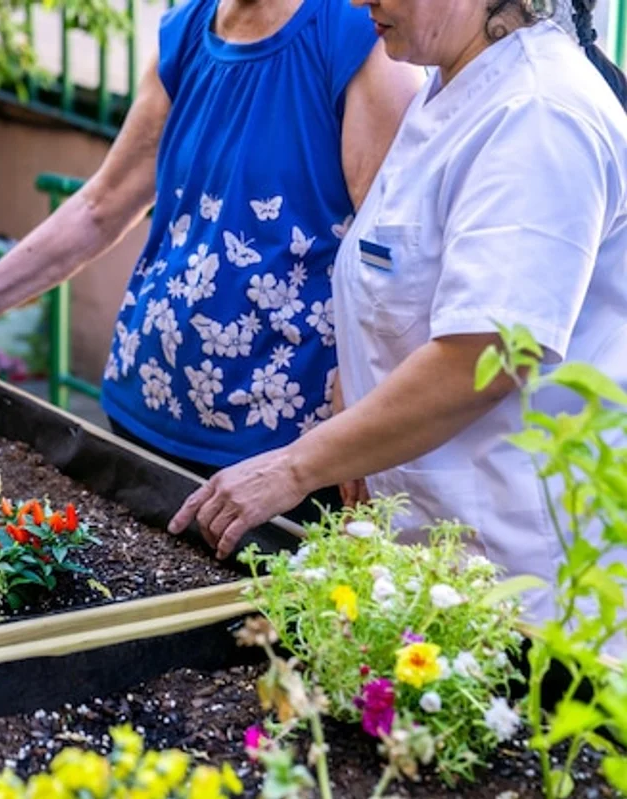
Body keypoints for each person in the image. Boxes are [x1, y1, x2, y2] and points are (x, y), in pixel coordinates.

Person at [0, 0, 423, 526]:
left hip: (277, 459)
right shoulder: (188, 28)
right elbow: (99, 206)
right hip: (142, 414)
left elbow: (390, 258)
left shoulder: (357, 32)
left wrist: (357, 421)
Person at [169, 0, 627, 625]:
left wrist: (297, 465)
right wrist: (355, 396)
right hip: (438, 551)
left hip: (522, 574)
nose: (360, 1)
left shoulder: (538, 115)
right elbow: (406, 282)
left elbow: (487, 358)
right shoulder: (450, 83)